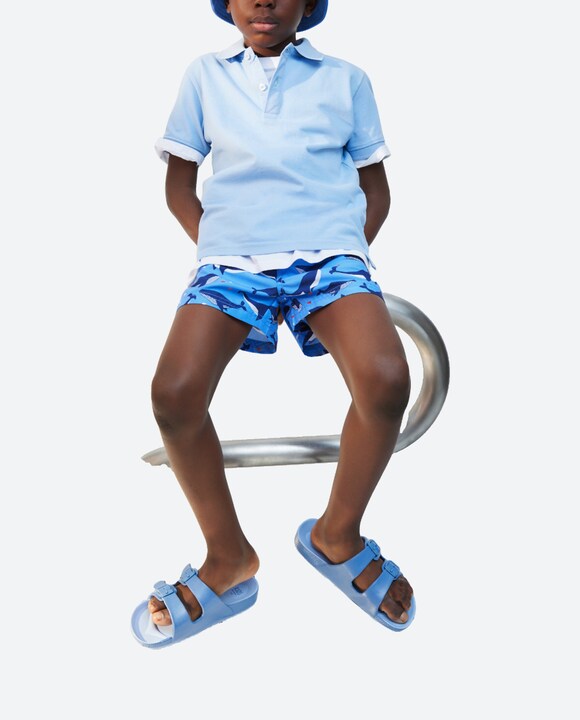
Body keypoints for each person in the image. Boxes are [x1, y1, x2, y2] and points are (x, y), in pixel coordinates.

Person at [131, 0, 415, 649]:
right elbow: (179, 185)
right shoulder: (205, 75)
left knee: (386, 379)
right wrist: (222, 248)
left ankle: (337, 535)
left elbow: (376, 190)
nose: (264, 1)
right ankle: (228, 556)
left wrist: (346, 254)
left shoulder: (346, 79)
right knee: (174, 394)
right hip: (233, 257)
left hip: (327, 254)